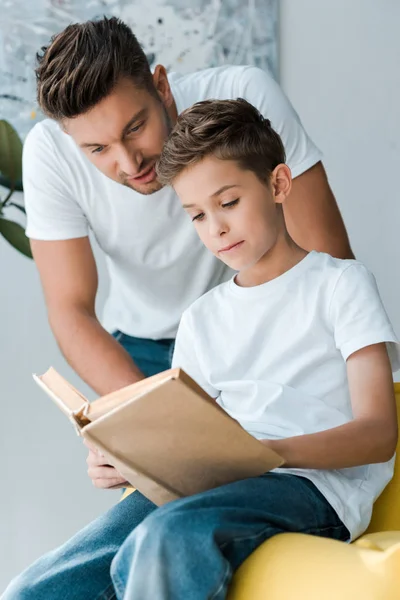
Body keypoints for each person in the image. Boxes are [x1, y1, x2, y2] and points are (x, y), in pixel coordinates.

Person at [5, 98, 397, 600]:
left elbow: (378, 434)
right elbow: (189, 440)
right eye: (196, 215)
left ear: (278, 184)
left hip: (306, 485)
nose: (216, 228)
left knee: (166, 539)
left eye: (228, 202)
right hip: (211, 481)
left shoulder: (340, 285)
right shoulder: (202, 318)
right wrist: (130, 461)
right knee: (35, 588)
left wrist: (267, 453)